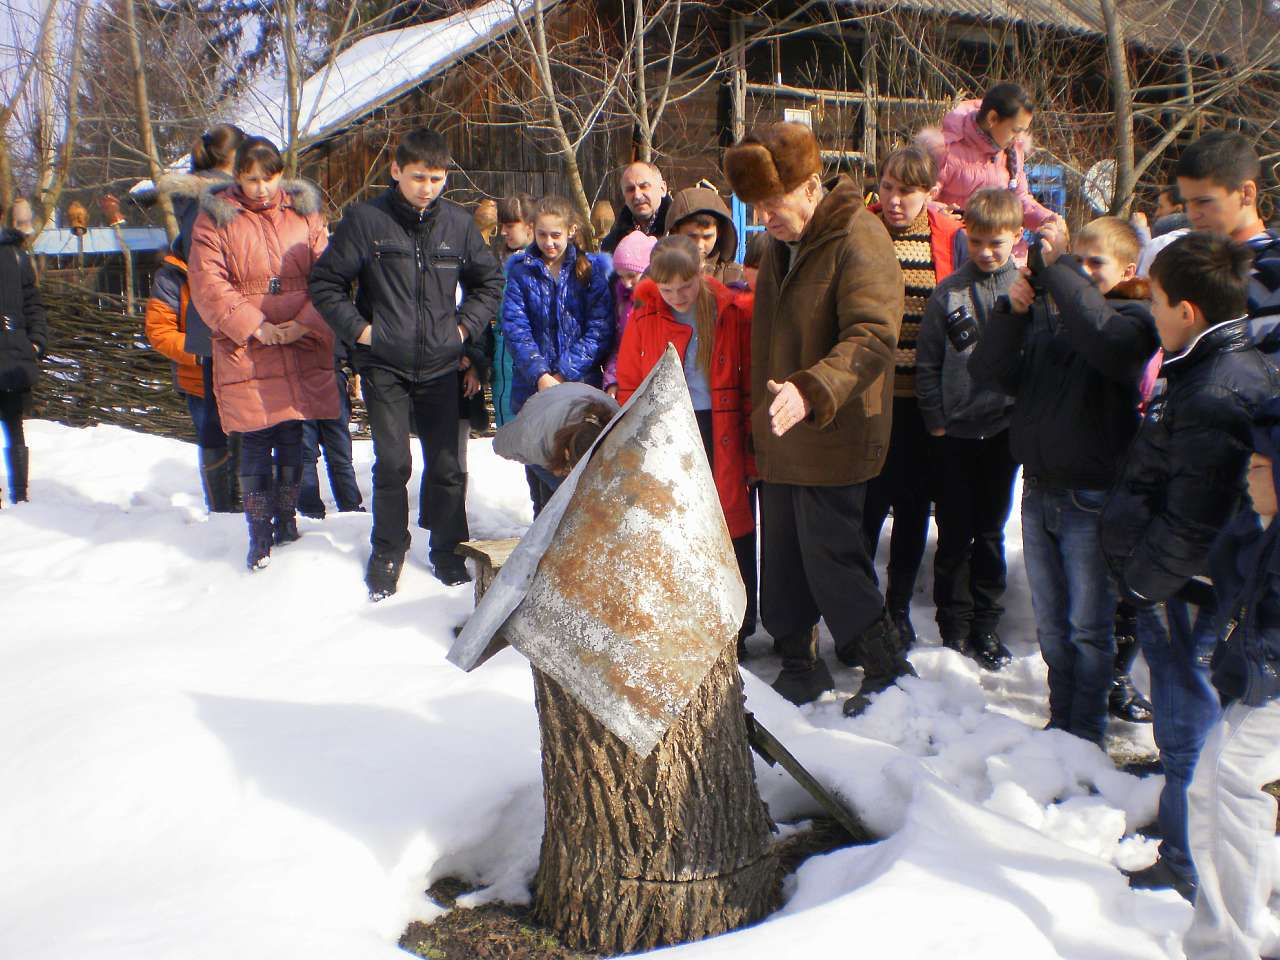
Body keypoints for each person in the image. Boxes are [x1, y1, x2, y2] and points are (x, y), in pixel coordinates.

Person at [1100, 232, 1280, 900]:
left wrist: (1145, 581)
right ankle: (1191, 849)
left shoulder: (1213, 389)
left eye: (1157, 302)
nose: (1150, 315)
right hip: (1185, 584)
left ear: (1190, 312)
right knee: (1191, 726)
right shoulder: (1215, 368)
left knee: (1187, 733)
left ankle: (1186, 859)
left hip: (1184, 592)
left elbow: (1194, 515)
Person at [722, 121, 911, 712]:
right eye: (756, 208)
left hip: (832, 429)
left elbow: (874, 336)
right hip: (782, 431)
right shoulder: (783, 244)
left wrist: (812, 390)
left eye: (772, 205)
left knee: (832, 557)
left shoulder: (861, 236)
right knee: (784, 556)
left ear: (810, 187)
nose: (763, 219)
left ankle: (885, 666)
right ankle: (800, 665)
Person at [970, 215, 1159, 744]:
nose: (1083, 272)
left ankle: (1087, 729)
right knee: (1052, 626)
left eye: (1095, 263)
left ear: (1127, 269)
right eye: (1080, 259)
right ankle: (1062, 723)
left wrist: (1060, 272)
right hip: (1039, 490)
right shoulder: (1056, 319)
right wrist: (1012, 310)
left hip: (1091, 497)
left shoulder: (1134, 320)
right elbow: (990, 372)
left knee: (1088, 627)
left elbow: (1103, 340)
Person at [309, 127, 504, 599]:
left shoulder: (458, 225)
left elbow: (489, 283)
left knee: (447, 466)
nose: (427, 188)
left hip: (441, 363)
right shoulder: (366, 221)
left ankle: (448, 548)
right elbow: (326, 283)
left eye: (437, 179)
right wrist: (361, 331)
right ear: (396, 171)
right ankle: (388, 548)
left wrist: (461, 330)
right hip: (386, 366)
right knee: (392, 463)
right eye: (418, 177)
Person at [188, 137, 340, 570]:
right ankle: (258, 532)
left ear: (280, 173)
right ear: (237, 177)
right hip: (248, 346)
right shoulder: (214, 220)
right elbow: (208, 284)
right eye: (250, 179)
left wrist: (304, 322)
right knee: (255, 438)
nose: (259, 188)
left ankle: (287, 518)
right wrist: (255, 326)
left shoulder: (304, 213)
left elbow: (328, 272)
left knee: (293, 435)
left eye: (267, 177)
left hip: (298, 339)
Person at [615, 234, 757, 654]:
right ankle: (688, 620)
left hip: (721, 427)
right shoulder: (644, 314)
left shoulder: (729, 311)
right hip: (669, 429)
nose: (677, 296)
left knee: (732, 525)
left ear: (701, 273)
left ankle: (740, 626)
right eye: (667, 289)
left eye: (686, 286)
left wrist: (752, 446)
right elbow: (629, 383)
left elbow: (748, 380)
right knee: (680, 527)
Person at [1183, 398, 1280, 960]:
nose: (1248, 475)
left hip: (1271, 688)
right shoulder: (1264, 529)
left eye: (1260, 467)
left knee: (1224, 779)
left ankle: (1225, 945)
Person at [864, 145, 968, 646]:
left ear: (930, 194)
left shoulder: (950, 238)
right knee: (866, 505)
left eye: (907, 191)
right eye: (887, 187)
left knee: (911, 507)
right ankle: (860, 611)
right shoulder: (862, 230)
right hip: (869, 400)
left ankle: (897, 607)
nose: (894, 200)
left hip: (924, 401)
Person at [915, 188, 1021, 672]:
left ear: (1016, 239)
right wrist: (935, 419)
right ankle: (954, 626)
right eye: (976, 241)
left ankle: (987, 623)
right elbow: (928, 360)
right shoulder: (949, 291)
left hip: (1001, 433)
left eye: (996, 243)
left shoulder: (1025, 291)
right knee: (953, 533)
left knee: (991, 532)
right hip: (954, 434)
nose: (985, 252)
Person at [501, 194, 614, 512]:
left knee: (572, 469)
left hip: (577, 388)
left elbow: (599, 328)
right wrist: (539, 373)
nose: (549, 243)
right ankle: (541, 547)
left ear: (571, 231)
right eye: (542, 235)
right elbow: (515, 327)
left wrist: (564, 372)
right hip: (533, 389)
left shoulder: (589, 272)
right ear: (532, 231)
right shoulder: (522, 273)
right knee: (540, 480)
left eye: (556, 235)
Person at [158, 123, 247, 512]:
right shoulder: (222, 198)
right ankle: (236, 504)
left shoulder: (190, 200)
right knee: (238, 412)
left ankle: (223, 503)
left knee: (214, 417)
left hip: (203, 317)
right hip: (228, 314)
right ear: (235, 157)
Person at [1174, 131, 1280, 347]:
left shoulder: (1273, 271)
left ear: (1246, 193)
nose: (1192, 214)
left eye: (1203, 201)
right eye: (1188, 203)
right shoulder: (1190, 263)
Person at [916, 82, 1058, 239]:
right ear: (993, 118)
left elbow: (1019, 200)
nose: (1018, 138)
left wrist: (1046, 219)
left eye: (1022, 131)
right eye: (1015, 130)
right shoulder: (945, 149)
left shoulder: (1012, 151)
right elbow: (919, 198)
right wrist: (940, 214)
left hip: (1002, 248)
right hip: (956, 245)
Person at [143, 253, 214, 489]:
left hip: (246, 380)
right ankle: (221, 510)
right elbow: (160, 330)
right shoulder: (172, 276)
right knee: (214, 449)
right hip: (199, 382)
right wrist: (199, 353)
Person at [0, 212, 47, 505]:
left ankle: (21, 497)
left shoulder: (15, 254)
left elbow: (32, 301)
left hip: (12, 349)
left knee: (14, 423)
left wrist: (36, 342)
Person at [493, 381, 618, 481]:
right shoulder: (532, 439)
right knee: (553, 500)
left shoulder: (616, 421)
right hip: (541, 409)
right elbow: (499, 444)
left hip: (577, 394)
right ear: (566, 453)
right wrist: (554, 465)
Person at [297, 344, 363, 519]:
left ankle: (313, 512)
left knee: (308, 455)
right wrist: (357, 368)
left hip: (312, 374)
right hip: (322, 372)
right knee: (334, 454)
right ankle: (349, 508)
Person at [492, 193, 539, 429]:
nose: (503, 232)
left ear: (530, 226)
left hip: (529, 366)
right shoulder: (498, 263)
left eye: (510, 225)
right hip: (503, 364)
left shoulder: (541, 267)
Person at [602, 230, 658, 397]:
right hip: (629, 384)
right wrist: (612, 380)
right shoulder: (624, 302)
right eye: (621, 276)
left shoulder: (659, 303)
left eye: (632, 276)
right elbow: (620, 346)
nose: (626, 283)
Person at [663, 184, 745, 286]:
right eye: (691, 236)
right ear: (675, 232)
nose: (700, 245)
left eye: (707, 237)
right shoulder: (659, 274)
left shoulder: (734, 277)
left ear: (718, 233)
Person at [600, 162, 672, 253]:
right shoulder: (613, 243)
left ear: (662, 189)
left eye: (644, 186)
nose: (637, 195)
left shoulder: (680, 232)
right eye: (630, 189)